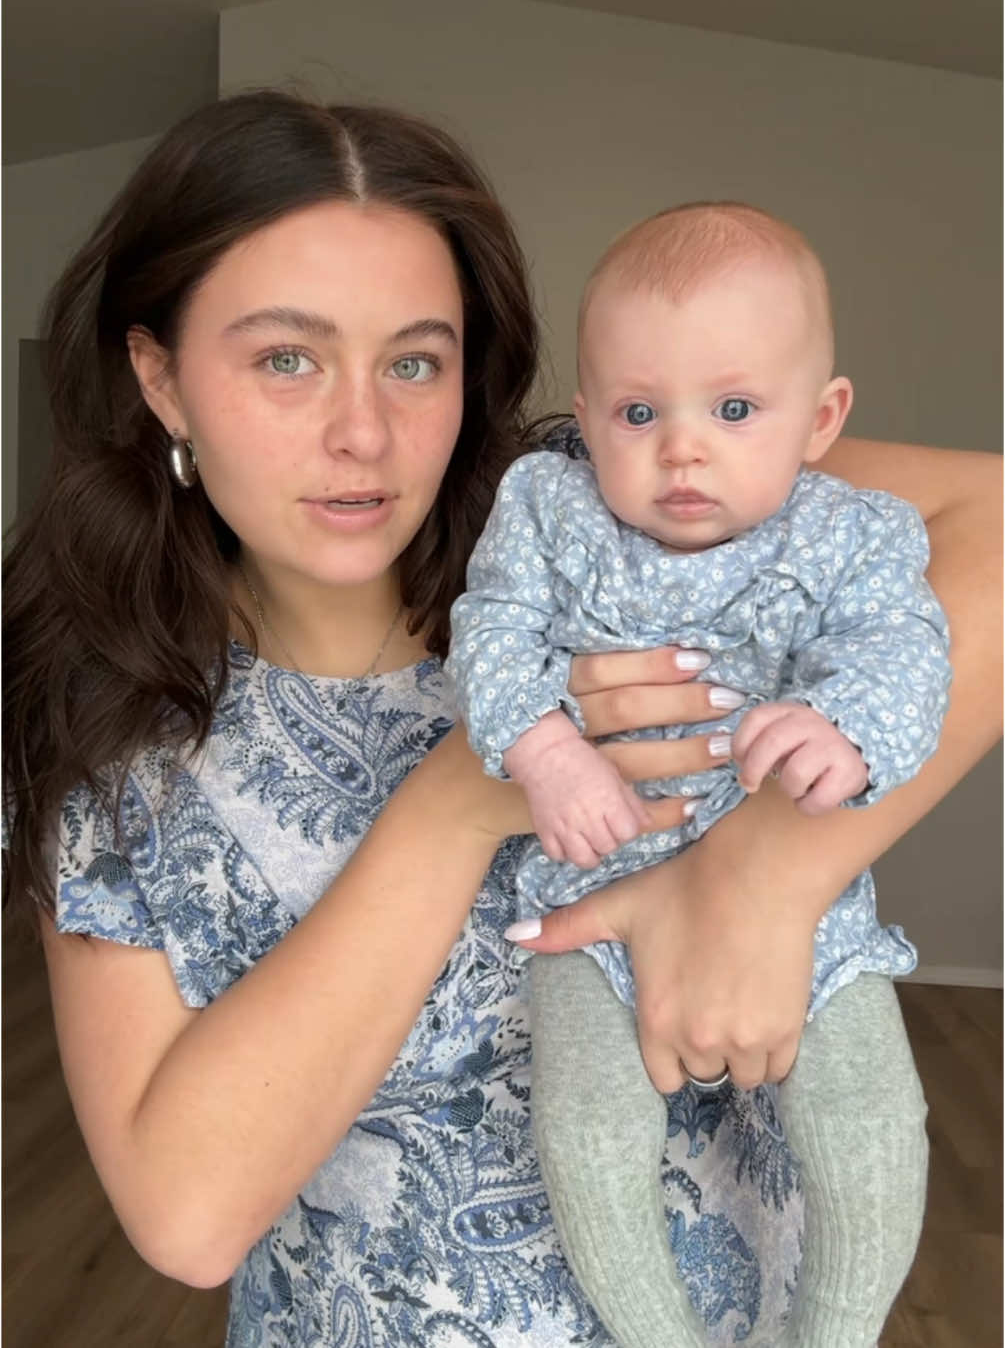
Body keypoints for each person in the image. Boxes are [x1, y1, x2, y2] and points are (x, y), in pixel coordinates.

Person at [0, 91, 999, 1348]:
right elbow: (188, 1214)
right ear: (163, 380)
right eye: (287, 359)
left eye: (415, 361)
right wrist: (458, 805)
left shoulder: (609, 516)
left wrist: (759, 878)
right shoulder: (106, 733)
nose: (364, 433)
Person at [447, 201, 952, 1347]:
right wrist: (546, 751)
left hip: (802, 897)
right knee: (585, 1137)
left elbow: (906, 648)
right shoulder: (548, 509)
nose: (682, 448)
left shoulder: (854, 534)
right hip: (591, 883)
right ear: (586, 420)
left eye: (733, 409)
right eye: (639, 412)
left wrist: (845, 729)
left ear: (821, 419)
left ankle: (835, 1332)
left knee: (873, 1127)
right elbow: (492, 632)